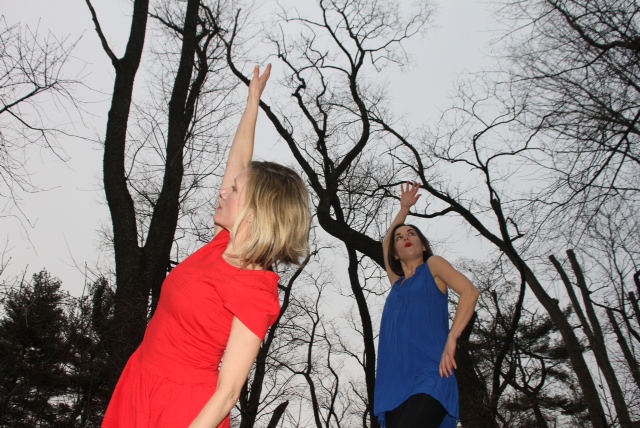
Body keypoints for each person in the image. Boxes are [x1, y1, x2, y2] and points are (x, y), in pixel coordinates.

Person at [102, 64, 311, 428]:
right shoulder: (221, 246)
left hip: (183, 409)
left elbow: (229, 392)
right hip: (141, 380)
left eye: (234, 191)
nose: (223, 190)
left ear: (254, 212)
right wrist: (252, 102)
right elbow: (240, 163)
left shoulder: (255, 292)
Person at [374, 182, 479, 428]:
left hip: (432, 373)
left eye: (411, 234)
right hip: (393, 385)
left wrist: (452, 339)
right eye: (400, 237)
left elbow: (470, 292)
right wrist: (403, 209)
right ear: (395, 253)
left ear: (423, 245)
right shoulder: (396, 284)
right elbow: (385, 242)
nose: (405, 238)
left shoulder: (433, 267)